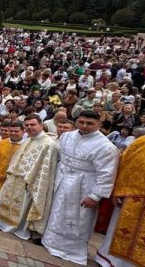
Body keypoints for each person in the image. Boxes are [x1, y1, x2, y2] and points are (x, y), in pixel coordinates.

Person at [42, 111, 119, 265]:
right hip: (62, 179)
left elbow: (107, 174)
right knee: (57, 212)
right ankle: (51, 242)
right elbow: (58, 157)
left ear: (99, 124)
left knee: (79, 218)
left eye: (89, 123)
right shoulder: (67, 136)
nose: (84, 126)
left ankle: (71, 250)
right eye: (81, 122)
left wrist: (95, 196)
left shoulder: (106, 147)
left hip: (84, 186)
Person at [95, 114, 145, 267]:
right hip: (131, 199)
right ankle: (112, 262)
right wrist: (117, 190)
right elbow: (124, 165)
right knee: (122, 233)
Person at [0, 115, 58, 241]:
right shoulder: (29, 139)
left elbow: (45, 168)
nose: (29, 127)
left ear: (41, 125)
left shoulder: (49, 144)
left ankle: (18, 228)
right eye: (27, 125)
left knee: (22, 207)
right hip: (15, 177)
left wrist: (33, 182)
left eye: (32, 124)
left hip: (29, 182)